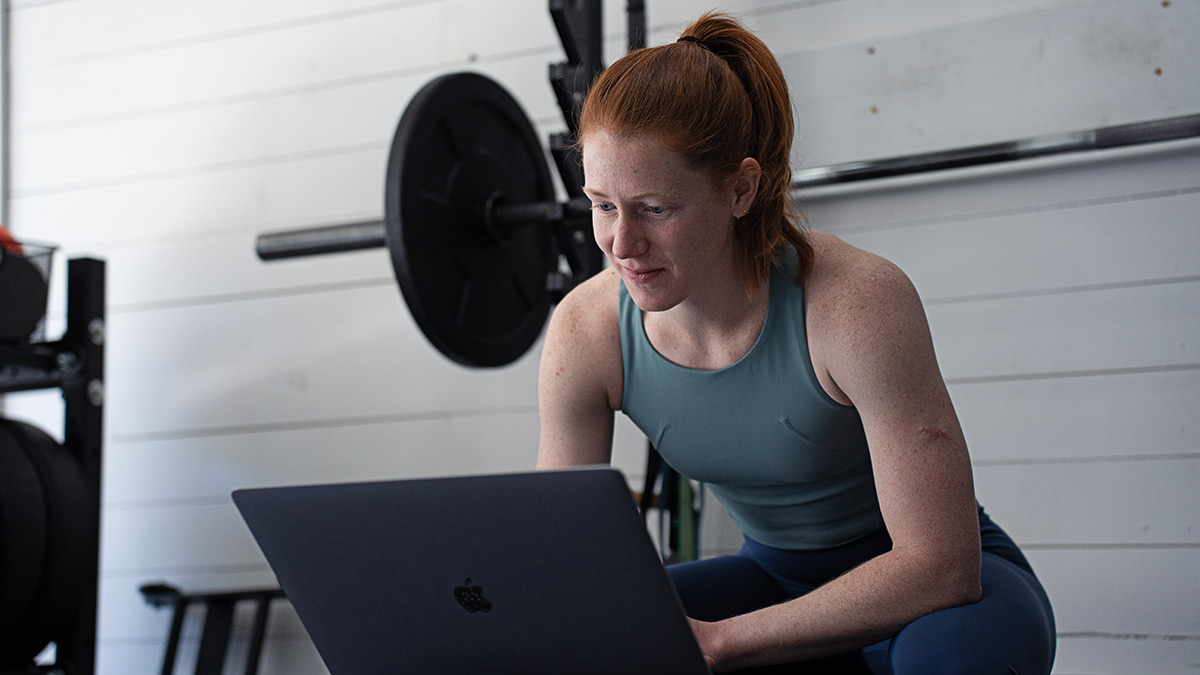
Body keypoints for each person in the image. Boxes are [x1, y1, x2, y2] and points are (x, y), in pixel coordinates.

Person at [535, 10, 1056, 675]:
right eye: (603, 204)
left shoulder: (853, 302)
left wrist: (722, 642)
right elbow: (559, 562)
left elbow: (942, 567)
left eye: (655, 209)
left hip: (945, 603)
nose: (620, 243)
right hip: (772, 582)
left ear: (742, 189)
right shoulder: (587, 330)